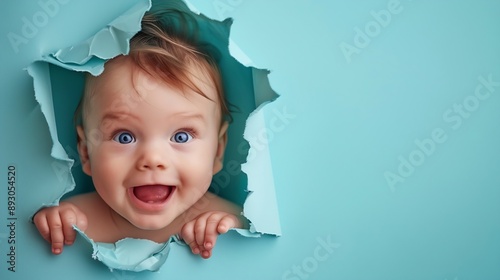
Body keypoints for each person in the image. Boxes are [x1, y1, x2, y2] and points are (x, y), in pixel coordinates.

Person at [33, 10, 246, 260]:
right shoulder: (75, 221)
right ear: (85, 151)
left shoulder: (225, 222)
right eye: (124, 137)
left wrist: (233, 231)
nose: (153, 158)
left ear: (218, 151)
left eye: (181, 136)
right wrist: (51, 224)